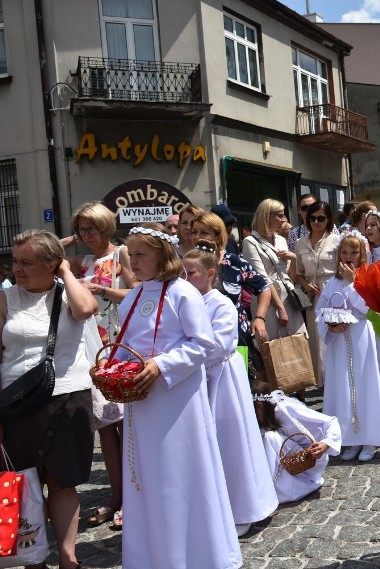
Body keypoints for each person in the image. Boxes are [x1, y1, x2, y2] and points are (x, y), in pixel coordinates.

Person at [114, 223, 241, 569]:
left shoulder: (183, 293)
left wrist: (161, 366)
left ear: (162, 256)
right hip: (141, 401)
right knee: (146, 478)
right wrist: (116, 368)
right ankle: (151, 556)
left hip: (177, 400)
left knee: (179, 474)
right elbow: (126, 346)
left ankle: (197, 555)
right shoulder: (135, 297)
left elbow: (203, 343)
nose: (133, 260)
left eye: (140, 254)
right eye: (130, 253)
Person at [0, 230, 99, 569]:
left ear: (51, 265)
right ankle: (33, 557)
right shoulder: (5, 299)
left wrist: (68, 273)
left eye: (26, 262)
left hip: (68, 396)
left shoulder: (68, 294)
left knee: (62, 480)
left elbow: (87, 308)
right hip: (16, 403)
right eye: (15, 262)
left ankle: (69, 557)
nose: (18, 270)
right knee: (25, 483)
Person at [183, 240, 278, 537]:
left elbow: (222, 343)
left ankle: (243, 508)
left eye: (192, 273)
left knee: (230, 439)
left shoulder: (220, 302)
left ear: (211, 273)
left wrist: (188, 352)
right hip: (201, 378)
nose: (186, 279)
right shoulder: (188, 301)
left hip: (222, 378)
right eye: (182, 274)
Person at [59, 202, 137, 531]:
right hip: (95, 349)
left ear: (105, 226)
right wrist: (64, 242)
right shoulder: (84, 260)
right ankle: (115, 497)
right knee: (104, 425)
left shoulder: (121, 254)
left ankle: (133, 499)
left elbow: (136, 293)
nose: (86, 235)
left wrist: (102, 288)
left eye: (92, 228)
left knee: (127, 427)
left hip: (121, 344)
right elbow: (51, 259)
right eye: (81, 230)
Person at [316, 232, 380, 462]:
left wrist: (351, 283)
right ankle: (350, 438)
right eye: (344, 252)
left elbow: (369, 308)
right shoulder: (332, 282)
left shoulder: (366, 277)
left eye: (353, 252)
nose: (348, 257)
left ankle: (369, 438)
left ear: (362, 255)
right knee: (343, 387)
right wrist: (329, 324)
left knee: (364, 385)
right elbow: (321, 310)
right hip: (339, 340)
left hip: (360, 338)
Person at [192, 211, 277, 356]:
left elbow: (264, 288)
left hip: (236, 335)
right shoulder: (187, 264)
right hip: (198, 334)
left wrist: (260, 318)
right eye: (194, 232)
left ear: (218, 236)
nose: (197, 236)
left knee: (237, 376)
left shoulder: (234, 263)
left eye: (203, 232)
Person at [250, 381, 341, 504]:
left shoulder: (287, 409)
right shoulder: (265, 416)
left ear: (259, 406)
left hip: (308, 461)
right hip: (290, 459)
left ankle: (271, 492)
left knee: (269, 437)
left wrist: (326, 444)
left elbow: (331, 421)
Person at [242, 199, 306, 341]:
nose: (283, 220)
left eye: (283, 215)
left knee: (298, 345)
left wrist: (294, 258)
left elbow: (291, 276)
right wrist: (280, 307)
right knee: (274, 348)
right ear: (266, 216)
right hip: (268, 302)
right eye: (279, 215)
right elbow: (262, 278)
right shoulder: (250, 242)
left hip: (290, 297)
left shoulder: (281, 240)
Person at [294, 201, 342, 385]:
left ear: (328, 219)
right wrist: (306, 285)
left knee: (332, 336)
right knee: (316, 339)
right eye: (312, 218)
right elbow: (297, 273)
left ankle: (337, 380)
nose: (316, 222)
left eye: (321, 218)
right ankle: (322, 384)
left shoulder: (336, 240)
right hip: (312, 295)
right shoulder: (300, 243)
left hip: (332, 290)